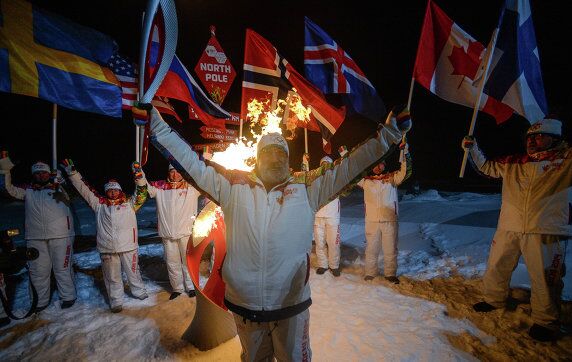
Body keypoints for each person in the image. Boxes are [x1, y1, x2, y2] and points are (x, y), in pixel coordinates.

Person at [133, 102, 410, 361]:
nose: (274, 159)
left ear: (288, 159)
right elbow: (190, 162)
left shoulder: (307, 190)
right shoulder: (232, 189)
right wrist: (156, 127)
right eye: (268, 153)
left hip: (291, 308)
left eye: (280, 154)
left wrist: (388, 135)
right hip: (245, 308)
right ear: (257, 158)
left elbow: (352, 165)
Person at [462, 117, 572, 342]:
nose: (533, 141)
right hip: (509, 225)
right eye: (530, 137)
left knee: (545, 278)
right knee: (497, 265)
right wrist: (473, 149)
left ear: (555, 139)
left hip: (547, 228)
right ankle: (493, 299)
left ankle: (546, 321)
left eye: (539, 136)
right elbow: (486, 167)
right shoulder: (515, 162)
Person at [61, 159, 148, 313]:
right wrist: (72, 173)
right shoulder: (99, 205)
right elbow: (84, 189)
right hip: (107, 247)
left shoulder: (130, 203)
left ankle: (139, 292)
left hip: (128, 246)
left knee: (133, 272)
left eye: (115, 189)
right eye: (109, 190)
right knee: (112, 277)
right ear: (106, 191)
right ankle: (116, 301)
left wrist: (139, 176)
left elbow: (142, 191)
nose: (112, 192)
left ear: (120, 190)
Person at [0, 154, 76, 311]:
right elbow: (8, 189)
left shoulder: (58, 187)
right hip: (35, 237)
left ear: (49, 173)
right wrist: (5, 169)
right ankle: (39, 302)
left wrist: (60, 180)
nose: (41, 175)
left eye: (44, 172)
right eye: (37, 173)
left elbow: (70, 194)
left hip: (61, 235)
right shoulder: (28, 190)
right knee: (38, 271)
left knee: (62, 268)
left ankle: (68, 297)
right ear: (33, 175)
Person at [137, 164, 201, 300]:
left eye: (178, 172)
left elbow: (204, 180)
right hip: (167, 233)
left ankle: (191, 287)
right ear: (168, 173)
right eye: (172, 172)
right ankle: (177, 288)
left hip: (186, 233)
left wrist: (206, 160)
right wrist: (139, 174)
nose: (175, 175)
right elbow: (145, 187)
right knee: (172, 262)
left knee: (188, 262)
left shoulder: (191, 187)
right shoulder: (160, 187)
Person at [358, 143, 411, 284]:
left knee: (390, 249)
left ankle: (390, 273)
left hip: (389, 221)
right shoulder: (366, 181)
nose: (378, 167)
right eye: (375, 165)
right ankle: (370, 272)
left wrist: (405, 152)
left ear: (384, 165)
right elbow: (352, 172)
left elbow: (406, 171)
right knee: (371, 249)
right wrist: (346, 155)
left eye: (381, 164)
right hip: (372, 221)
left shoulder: (392, 178)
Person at [313, 156, 342, 277]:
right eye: (323, 164)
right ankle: (323, 265)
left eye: (327, 164)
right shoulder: (316, 179)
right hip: (318, 216)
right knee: (320, 243)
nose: (325, 166)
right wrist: (304, 163)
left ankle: (334, 265)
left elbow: (346, 172)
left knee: (333, 243)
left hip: (332, 216)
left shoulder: (337, 179)